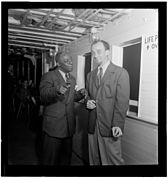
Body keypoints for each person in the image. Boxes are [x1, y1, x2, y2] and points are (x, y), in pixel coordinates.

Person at [85, 40, 130, 165]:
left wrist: (117, 124)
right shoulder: (90, 75)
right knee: (94, 161)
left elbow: (122, 102)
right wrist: (87, 102)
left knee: (113, 161)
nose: (95, 55)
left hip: (110, 126)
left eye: (98, 51)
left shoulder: (121, 73)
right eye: (93, 53)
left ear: (107, 52)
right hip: (92, 126)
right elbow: (88, 95)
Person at [39, 51, 87, 165]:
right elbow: (43, 95)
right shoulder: (49, 76)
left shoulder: (72, 78)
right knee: (50, 160)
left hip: (68, 127)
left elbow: (70, 97)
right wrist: (56, 90)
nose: (70, 62)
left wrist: (80, 94)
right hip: (53, 127)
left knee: (65, 159)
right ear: (59, 64)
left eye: (70, 60)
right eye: (66, 61)